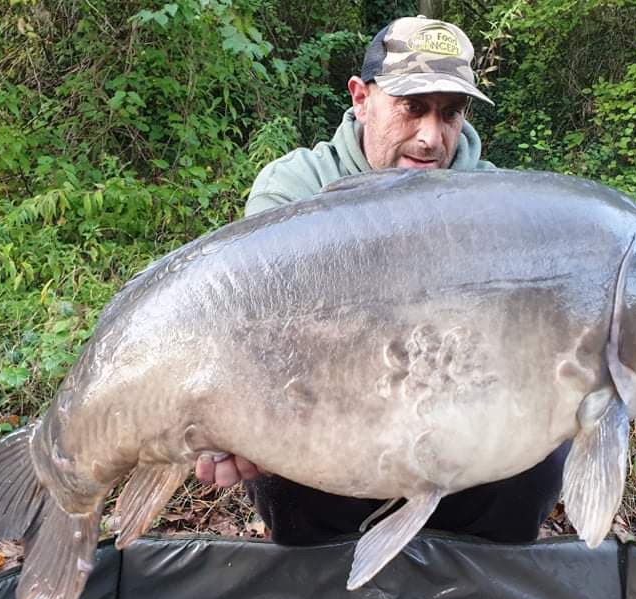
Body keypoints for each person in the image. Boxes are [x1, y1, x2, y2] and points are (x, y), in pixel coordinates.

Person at [195, 15, 572, 544]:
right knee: (277, 450)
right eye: (412, 107)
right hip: (328, 419)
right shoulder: (296, 188)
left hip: (457, 427)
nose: (430, 136)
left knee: (543, 443)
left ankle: (475, 593)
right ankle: (330, 587)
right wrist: (227, 420)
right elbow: (252, 336)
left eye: (450, 114)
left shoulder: (497, 207)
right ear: (361, 98)